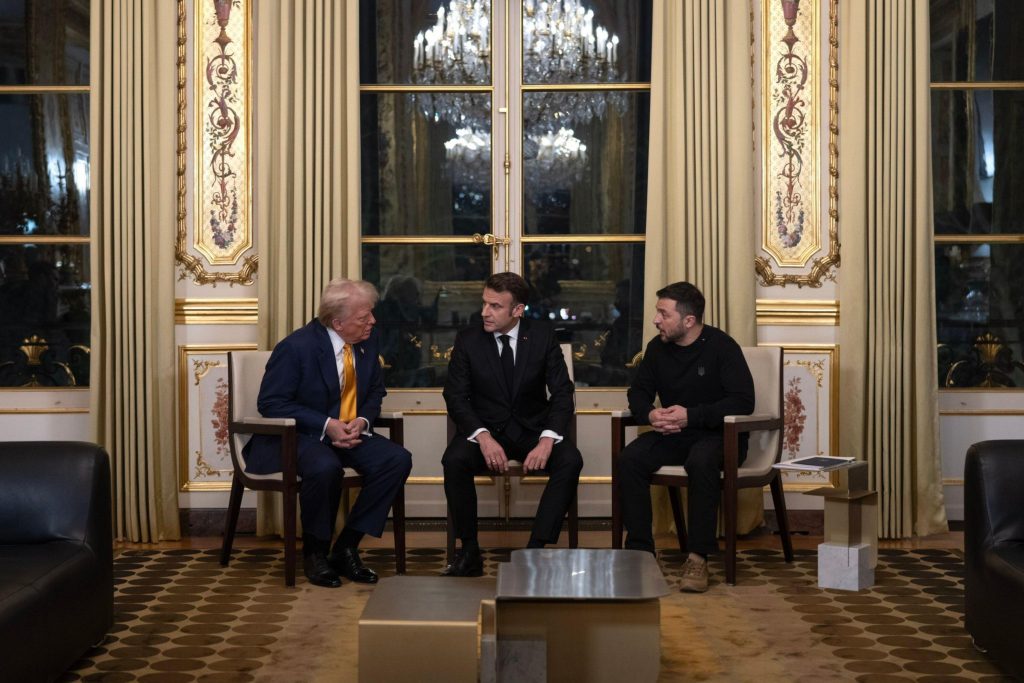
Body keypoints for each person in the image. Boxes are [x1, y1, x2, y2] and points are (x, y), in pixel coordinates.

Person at [245, 278, 412, 588]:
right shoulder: (296, 347)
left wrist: (362, 420)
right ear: (337, 322)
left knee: (396, 459)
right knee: (325, 467)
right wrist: (327, 424)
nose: (372, 322)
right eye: (364, 317)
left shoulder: (366, 343)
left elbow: (375, 391)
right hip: (301, 436)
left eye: (370, 314)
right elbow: (271, 403)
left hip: (349, 431)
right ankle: (315, 553)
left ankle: (346, 546)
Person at [441, 271, 583, 576]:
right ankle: (469, 551)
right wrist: (482, 436)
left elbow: (562, 393)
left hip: (533, 429)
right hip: (487, 430)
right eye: (484, 303)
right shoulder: (468, 339)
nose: (484, 312)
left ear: (518, 310)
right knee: (454, 460)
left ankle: (535, 550)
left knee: (570, 460)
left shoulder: (543, 336)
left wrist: (547, 440)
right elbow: (455, 396)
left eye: (495, 306)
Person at [617, 281, 754, 593]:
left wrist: (692, 415)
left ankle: (698, 556)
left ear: (688, 321)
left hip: (719, 437)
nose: (656, 320)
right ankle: (640, 552)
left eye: (663, 314)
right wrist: (650, 415)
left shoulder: (722, 347)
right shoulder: (657, 348)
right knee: (630, 459)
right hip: (673, 436)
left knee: (701, 461)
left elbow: (743, 401)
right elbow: (638, 392)